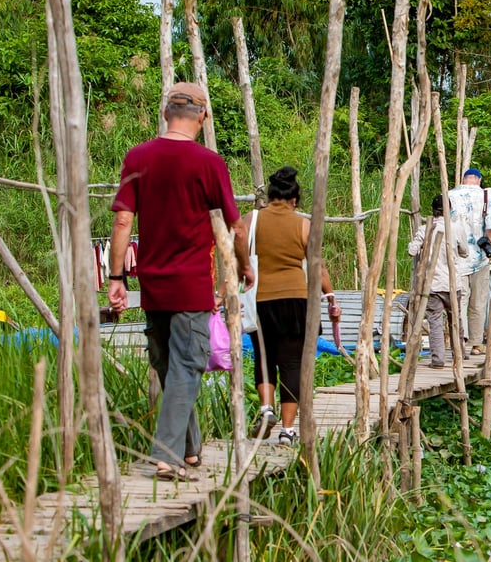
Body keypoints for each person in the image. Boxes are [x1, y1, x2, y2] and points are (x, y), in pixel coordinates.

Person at [108, 82, 253, 483]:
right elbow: (236, 226)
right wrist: (243, 267)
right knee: (186, 367)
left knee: (172, 367)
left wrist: (116, 277)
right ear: (202, 117)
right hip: (191, 287)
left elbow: (123, 219)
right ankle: (167, 455)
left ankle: (189, 450)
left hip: (153, 287)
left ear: (165, 113)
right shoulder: (208, 163)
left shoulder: (138, 157)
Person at [246, 167, 339, 446]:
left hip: (260, 299)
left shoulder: (251, 220)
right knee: (291, 364)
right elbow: (317, 267)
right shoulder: (303, 225)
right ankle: (287, 431)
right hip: (296, 302)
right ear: (294, 200)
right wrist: (331, 296)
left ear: (270, 196)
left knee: (264, 359)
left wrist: (240, 271)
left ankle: (266, 408)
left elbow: (236, 241)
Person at [407, 194, 470, 368]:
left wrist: (421, 246)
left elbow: (411, 250)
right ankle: (460, 353)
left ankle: (438, 359)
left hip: (432, 284)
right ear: (449, 210)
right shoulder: (456, 228)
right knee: (455, 319)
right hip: (452, 283)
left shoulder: (425, 229)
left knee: (435, 322)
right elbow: (465, 252)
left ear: (433, 211)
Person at [448, 168, 491, 355]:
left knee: (460, 300)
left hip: (456, 258)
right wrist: (488, 251)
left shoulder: (450, 195)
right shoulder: (487, 195)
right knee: (478, 302)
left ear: (463, 179)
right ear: (479, 180)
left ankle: (459, 341)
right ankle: (476, 344)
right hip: (479, 258)